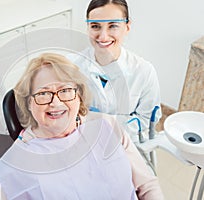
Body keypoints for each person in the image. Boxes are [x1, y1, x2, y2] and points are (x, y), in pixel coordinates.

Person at [0, 53, 164, 199]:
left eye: (65, 90)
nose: (56, 102)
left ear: (79, 95)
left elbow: (147, 186)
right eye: (43, 94)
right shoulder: (17, 163)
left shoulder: (106, 125)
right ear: (29, 103)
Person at [68, 0, 161, 140]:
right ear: (88, 27)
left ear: (127, 27)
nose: (103, 36)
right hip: (80, 139)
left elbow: (147, 119)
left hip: (125, 142)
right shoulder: (70, 65)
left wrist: (107, 131)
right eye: (95, 26)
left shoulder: (144, 71)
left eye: (113, 26)